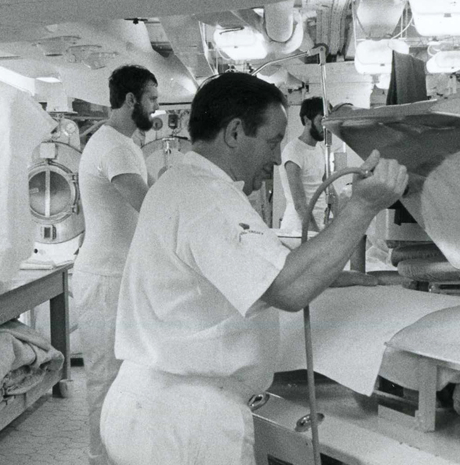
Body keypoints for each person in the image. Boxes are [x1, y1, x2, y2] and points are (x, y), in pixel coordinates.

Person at [100, 73, 408, 464]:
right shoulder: (208, 196)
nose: (277, 158)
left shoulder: (179, 183)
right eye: (272, 141)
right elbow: (288, 288)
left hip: (149, 403)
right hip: (186, 420)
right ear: (234, 133)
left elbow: (259, 263)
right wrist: (363, 208)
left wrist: (336, 276)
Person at [73, 64, 158, 465]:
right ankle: (100, 458)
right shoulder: (114, 148)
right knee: (105, 379)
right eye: (152, 99)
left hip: (117, 275)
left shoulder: (124, 144)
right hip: (106, 278)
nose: (155, 107)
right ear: (130, 100)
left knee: (124, 378)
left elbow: (156, 196)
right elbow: (152, 207)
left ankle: (120, 455)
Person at [279, 96, 329, 234]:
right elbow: (300, 205)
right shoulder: (293, 151)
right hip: (298, 226)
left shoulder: (320, 149)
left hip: (317, 222)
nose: (325, 127)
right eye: (321, 121)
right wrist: (315, 233)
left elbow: (327, 185)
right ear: (307, 120)